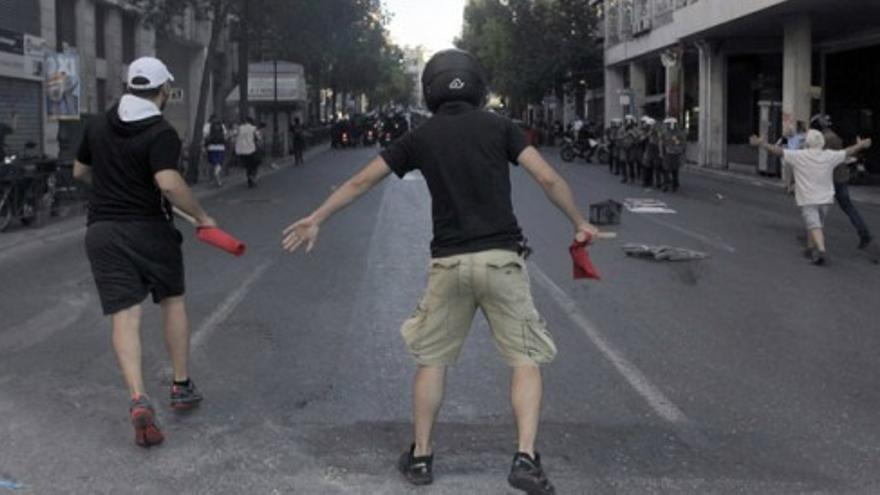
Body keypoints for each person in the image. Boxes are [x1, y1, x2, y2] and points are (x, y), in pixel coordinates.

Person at [281, 49, 600, 495]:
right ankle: (525, 458)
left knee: (432, 360)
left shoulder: (421, 136)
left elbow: (359, 182)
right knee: (525, 360)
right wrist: (579, 222)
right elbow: (547, 179)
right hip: (502, 260)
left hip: (448, 263)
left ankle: (422, 458)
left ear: (431, 89)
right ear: (479, 85)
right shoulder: (502, 127)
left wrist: (316, 217)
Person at [72, 57, 215, 447]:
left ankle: (137, 398)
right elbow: (168, 183)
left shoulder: (98, 123)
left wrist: (110, 183)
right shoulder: (160, 130)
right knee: (172, 302)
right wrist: (202, 216)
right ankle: (181, 385)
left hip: (102, 231)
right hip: (149, 230)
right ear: (163, 91)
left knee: (124, 314)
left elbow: (79, 172)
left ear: (129, 86)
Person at [750, 130, 872, 265]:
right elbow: (847, 151)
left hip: (808, 197)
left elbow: (778, 151)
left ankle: (821, 250)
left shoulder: (799, 155)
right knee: (816, 224)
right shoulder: (829, 156)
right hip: (825, 198)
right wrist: (861, 145)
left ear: (807, 142)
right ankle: (810, 248)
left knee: (814, 224)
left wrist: (762, 143)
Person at [811, 114, 873, 249]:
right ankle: (864, 233)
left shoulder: (823, 139)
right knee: (848, 207)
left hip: (828, 178)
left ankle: (814, 238)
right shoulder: (835, 137)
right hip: (841, 177)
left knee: (816, 207)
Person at [660, 117, 686, 192]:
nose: (667, 126)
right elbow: (661, 142)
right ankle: (665, 185)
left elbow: (682, 143)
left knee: (675, 170)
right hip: (667, 154)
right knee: (665, 170)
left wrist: (676, 142)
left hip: (675, 154)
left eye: (668, 124)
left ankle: (675, 185)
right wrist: (661, 152)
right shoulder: (665, 132)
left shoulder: (678, 133)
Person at [235, 117, 261, 188]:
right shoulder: (254, 128)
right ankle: (252, 177)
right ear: (251, 122)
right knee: (254, 164)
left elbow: (234, 135)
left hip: (242, 150)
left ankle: (249, 178)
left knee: (248, 166)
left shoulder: (240, 128)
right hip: (252, 149)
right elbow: (258, 138)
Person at [203, 114, 227, 187]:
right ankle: (217, 174)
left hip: (211, 146)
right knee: (219, 162)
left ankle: (213, 178)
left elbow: (205, 136)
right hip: (221, 146)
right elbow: (225, 135)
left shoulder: (207, 125)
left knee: (212, 162)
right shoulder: (222, 125)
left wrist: (205, 146)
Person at [620, 115, 639, 184]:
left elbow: (637, 138)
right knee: (623, 162)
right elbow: (619, 137)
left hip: (632, 148)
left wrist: (632, 133)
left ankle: (632, 177)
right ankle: (624, 177)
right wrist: (626, 134)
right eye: (626, 121)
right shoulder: (622, 129)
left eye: (629, 121)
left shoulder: (635, 129)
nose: (628, 123)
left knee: (631, 163)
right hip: (624, 147)